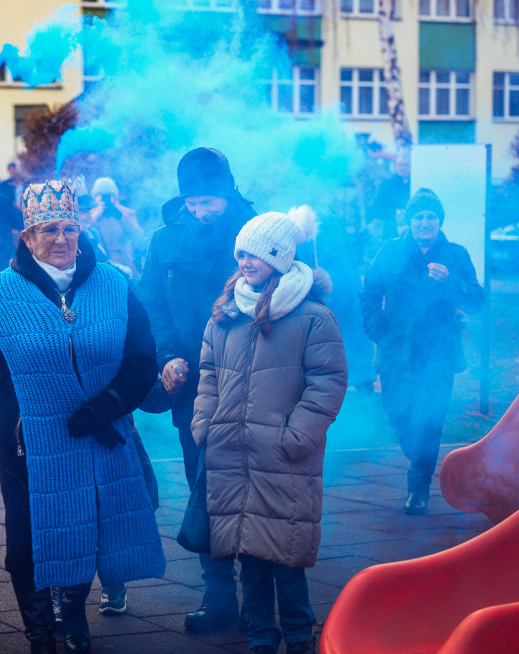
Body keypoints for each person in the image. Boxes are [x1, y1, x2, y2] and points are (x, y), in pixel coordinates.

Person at [0, 180, 166, 653]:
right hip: (30, 443)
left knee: (88, 527)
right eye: (48, 229)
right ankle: (40, 631)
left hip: (99, 434)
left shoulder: (113, 283)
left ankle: (77, 615)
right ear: (27, 238)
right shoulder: (0, 294)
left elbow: (142, 358)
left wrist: (109, 404)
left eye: (70, 227)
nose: (62, 238)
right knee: (28, 543)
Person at [193, 206, 347, 654]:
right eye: (241, 253)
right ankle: (261, 639)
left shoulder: (312, 316)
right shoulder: (226, 311)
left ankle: (300, 640)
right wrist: (205, 422)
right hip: (232, 454)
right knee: (250, 558)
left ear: (280, 257)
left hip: (282, 458)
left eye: (256, 254)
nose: (245, 262)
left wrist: (294, 436)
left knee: (286, 559)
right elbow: (207, 370)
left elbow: (328, 383)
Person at [136, 147, 255, 632]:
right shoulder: (165, 241)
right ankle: (219, 594)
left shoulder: (256, 234)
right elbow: (152, 305)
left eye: (210, 202)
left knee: (251, 487)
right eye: (194, 202)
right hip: (191, 384)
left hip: (251, 377)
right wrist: (168, 357)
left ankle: (263, 596)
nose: (201, 211)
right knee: (201, 482)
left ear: (227, 193)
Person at [360, 189, 483, 514]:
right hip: (396, 351)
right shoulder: (389, 252)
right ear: (408, 220)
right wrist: (379, 331)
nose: (425, 223)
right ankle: (422, 463)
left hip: (439, 354)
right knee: (398, 414)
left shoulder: (455, 254)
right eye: (419, 217)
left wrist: (451, 282)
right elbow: (368, 294)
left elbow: (477, 303)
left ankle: (419, 489)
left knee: (429, 419)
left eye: (431, 216)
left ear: (440, 220)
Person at [86, 177, 143, 275]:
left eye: (108, 195)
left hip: (126, 264)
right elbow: (83, 233)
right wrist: (95, 216)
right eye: (100, 195)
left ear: (115, 195)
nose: (104, 198)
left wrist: (120, 217)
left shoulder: (126, 213)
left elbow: (138, 236)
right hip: (100, 266)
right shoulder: (89, 214)